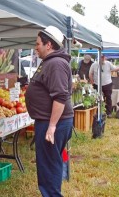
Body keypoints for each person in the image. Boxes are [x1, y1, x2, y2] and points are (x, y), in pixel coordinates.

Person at [25, 26, 73, 197]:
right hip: (50, 121)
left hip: (53, 123)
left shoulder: (56, 64)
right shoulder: (50, 62)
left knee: (48, 166)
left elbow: (60, 97)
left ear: (49, 44)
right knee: (50, 163)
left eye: (38, 44)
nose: (35, 47)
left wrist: (52, 126)